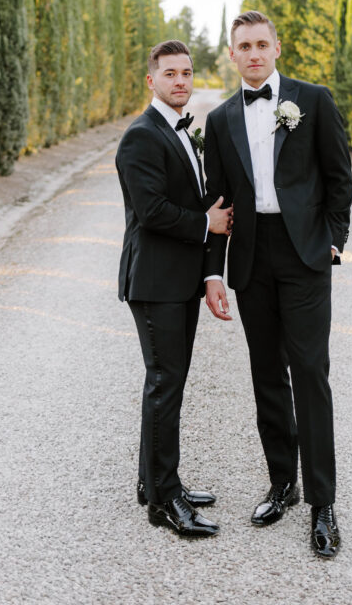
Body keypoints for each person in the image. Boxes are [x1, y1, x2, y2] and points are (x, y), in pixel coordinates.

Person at [203, 11, 352, 558]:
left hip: (304, 253)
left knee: (310, 373)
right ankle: (281, 484)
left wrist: (335, 238)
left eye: (262, 44)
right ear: (232, 53)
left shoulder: (312, 101)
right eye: (244, 46)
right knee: (266, 371)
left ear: (277, 47)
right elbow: (218, 202)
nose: (253, 53)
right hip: (251, 257)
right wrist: (214, 271)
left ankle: (323, 503)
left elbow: (339, 177)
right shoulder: (220, 120)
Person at [116, 40, 232, 539]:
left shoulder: (183, 129)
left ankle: (156, 481)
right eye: (170, 74)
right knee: (165, 385)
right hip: (156, 283)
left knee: (168, 384)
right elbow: (152, 211)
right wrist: (206, 224)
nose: (181, 81)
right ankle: (164, 503)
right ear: (152, 80)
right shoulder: (140, 136)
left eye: (186, 73)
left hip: (179, 282)